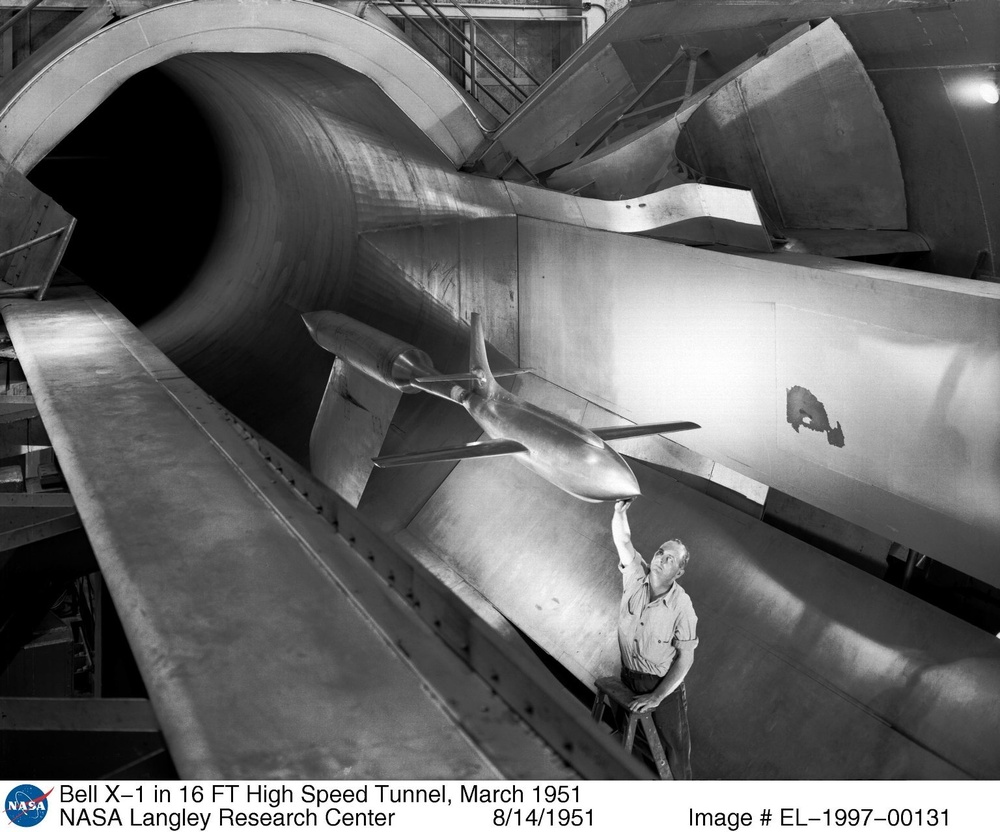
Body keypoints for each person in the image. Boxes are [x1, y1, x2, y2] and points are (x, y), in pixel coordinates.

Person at [611, 498, 698, 779]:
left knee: (674, 754)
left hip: (662, 687)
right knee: (634, 744)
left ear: (679, 572)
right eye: (661, 552)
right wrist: (619, 512)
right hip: (629, 678)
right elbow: (624, 541)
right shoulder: (636, 576)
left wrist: (658, 696)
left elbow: (686, 657)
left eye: (670, 558)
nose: (662, 558)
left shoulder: (682, 606)